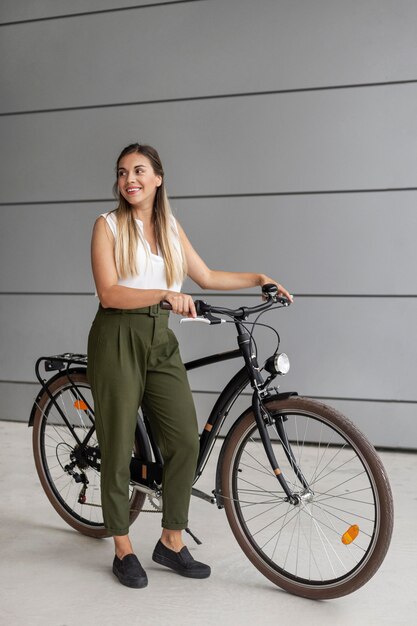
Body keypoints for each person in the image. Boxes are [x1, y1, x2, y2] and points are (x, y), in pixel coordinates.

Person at [87, 142, 293, 589]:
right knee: (118, 445)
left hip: (161, 337)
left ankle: (171, 541)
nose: (129, 180)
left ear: (158, 178)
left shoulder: (169, 227)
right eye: (122, 173)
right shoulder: (106, 226)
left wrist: (259, 278)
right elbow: (110, 293)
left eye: (139, 171)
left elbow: (207, 276)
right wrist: (162, 294)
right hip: (117, 335)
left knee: (185, 440)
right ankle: (122, 547)